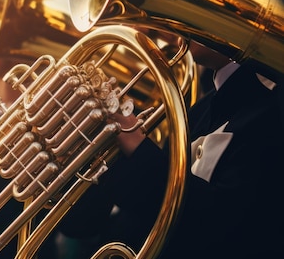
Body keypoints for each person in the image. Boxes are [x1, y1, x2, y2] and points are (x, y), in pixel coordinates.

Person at [57, 39, 284, 258]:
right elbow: (90, 225)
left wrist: (137, 147)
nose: (174, 24)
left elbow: (226, 229)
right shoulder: (202, 109)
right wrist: (93, 149)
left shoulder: (273, 108)